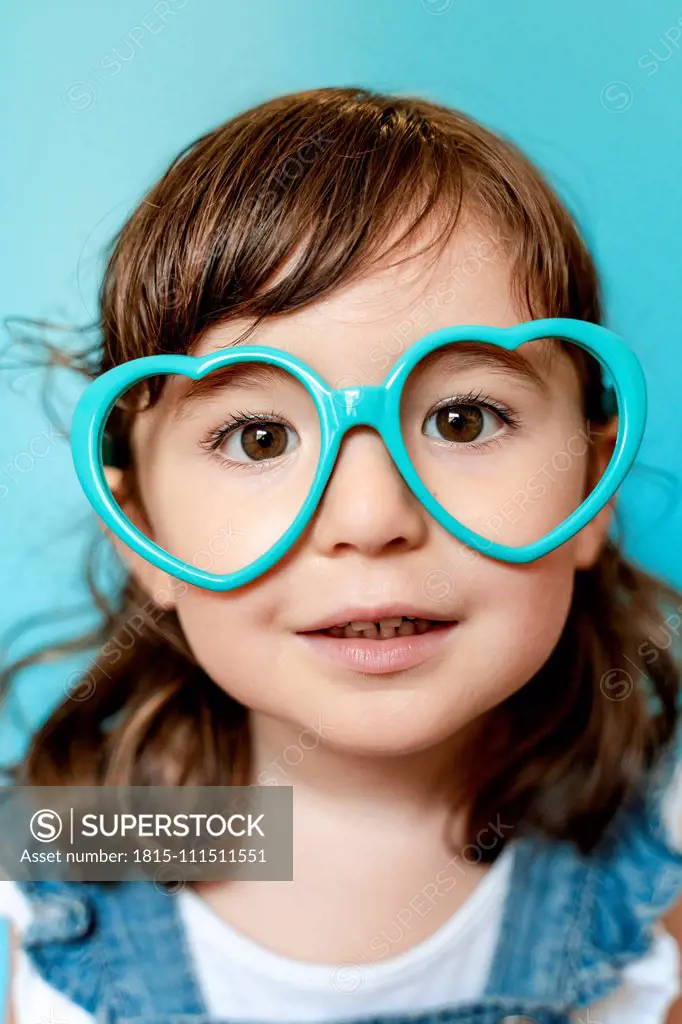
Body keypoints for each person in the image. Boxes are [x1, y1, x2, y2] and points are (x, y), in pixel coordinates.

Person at [1, 85, 682, 1024]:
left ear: (589, 493)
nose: (369, 516)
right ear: (145, 535)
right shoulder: (45, 885)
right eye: (259, 439)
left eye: (462, 418)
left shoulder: (661, 863)